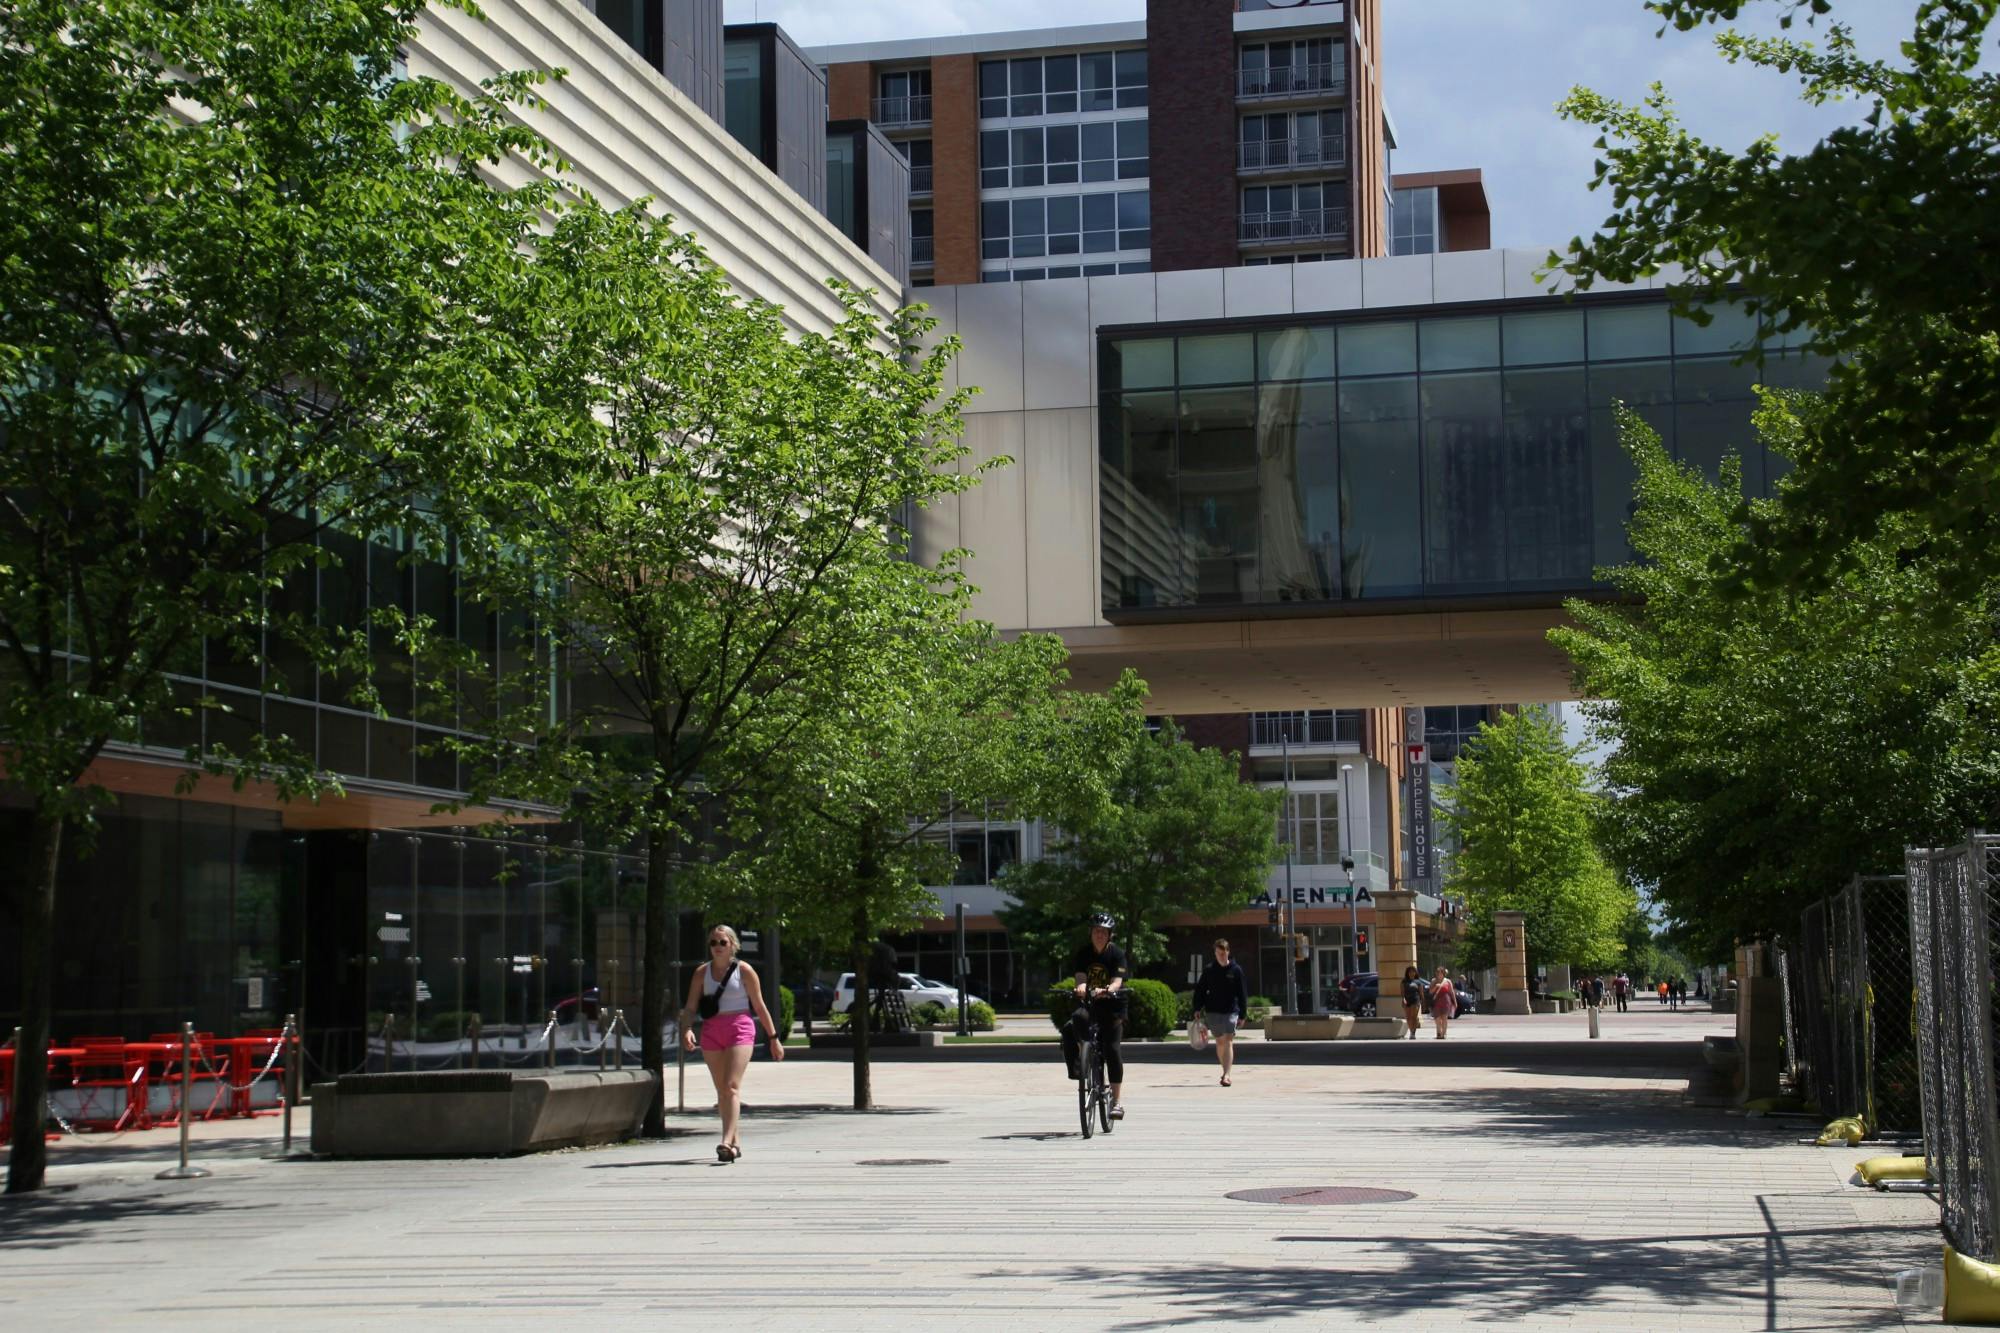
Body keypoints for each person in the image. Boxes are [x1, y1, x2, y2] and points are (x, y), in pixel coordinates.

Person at [679, 923, 784, 1163]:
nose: (717, 947)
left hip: (740, 1028)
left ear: (732, 945)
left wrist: (773, 1038)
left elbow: (759, 1005)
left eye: (722, 942)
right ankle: (734, 1144)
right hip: (712, 1030)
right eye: (713, 943)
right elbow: (691, 1006)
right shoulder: (700, 973)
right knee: (722, 1092)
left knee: (731, 1086)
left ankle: (725, 1140)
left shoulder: (744, 971)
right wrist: (686, 1029)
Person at [1060, 913, 1129, 1119]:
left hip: (1113, 1005)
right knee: (1070, 1026)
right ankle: (1081, 1062)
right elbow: (1080, 977)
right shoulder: (1083, 954)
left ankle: (1116, 1102)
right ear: (1091, 933)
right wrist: (1081, 987)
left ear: (1110, 935)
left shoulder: (1117, 954)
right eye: (1096, 931)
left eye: (1103, 932)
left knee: (1112, 1049)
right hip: (1090, 1003)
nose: (1099, 935)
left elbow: (1118, 980)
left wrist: (1108, 989)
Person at [1192, 937, 1249, 1087]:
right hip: (1213, 1011)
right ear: (1215, 953)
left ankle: (1227, 1074)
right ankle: (1224, 1070)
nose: (1221, 956)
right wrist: (1197, 1007)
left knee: (1228, 1040)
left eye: (1223, 954)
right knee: (1220, 1042)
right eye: (1218, 953)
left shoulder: (1236, 970)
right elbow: (1201, 990)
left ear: (1228, 952)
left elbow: (1242, 993)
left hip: (1231, 1010)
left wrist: (1243, 1014)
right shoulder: (1209, 970)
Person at [1431, 967, 1457, 1039]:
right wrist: (1436, 987)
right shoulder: (1433, 981)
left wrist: (1455, 1002)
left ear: (1443, 974)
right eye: (1437, 972)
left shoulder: (1448, 981)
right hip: (1436, 1002)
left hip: (1446, 1002)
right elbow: (1430, 992)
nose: (1438, 974)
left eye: (1440, 973)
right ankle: (1439, 1032)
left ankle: (1444, 1033)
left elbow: (1451, 992)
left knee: (1444, 1018)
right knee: (1437, 1019)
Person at [1400, 965, 1424, 1039]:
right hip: (1407, 1000)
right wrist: (1403, 999)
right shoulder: (1404, 981)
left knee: (1414, 1017)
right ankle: (1411, 1031)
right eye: (1410, 972)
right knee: (1408, 1017)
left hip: (1415, 1000)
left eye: (1413, 972)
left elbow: (1421, 993)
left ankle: (1413, 1032)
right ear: (1407, 973)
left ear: (1415, 973)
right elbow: (1402, 992)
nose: (1411, 973)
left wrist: (1422, 1001)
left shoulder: (1418, 982)